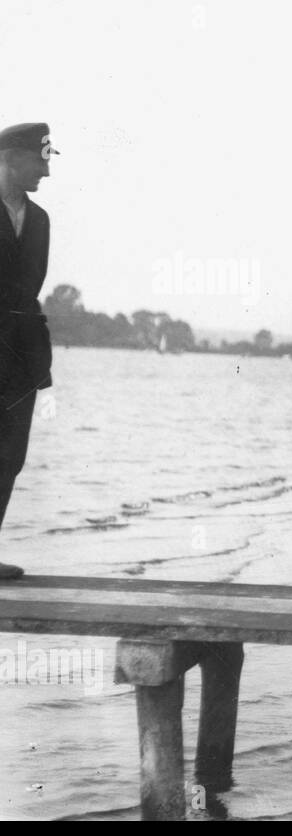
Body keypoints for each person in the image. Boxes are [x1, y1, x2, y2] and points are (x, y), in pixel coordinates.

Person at [0, 122, 56, 581]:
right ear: (11, 159)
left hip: (20, 356)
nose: (46, 172)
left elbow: (30, 285)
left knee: (9, 456)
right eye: (40, 161)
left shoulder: (39, 220)